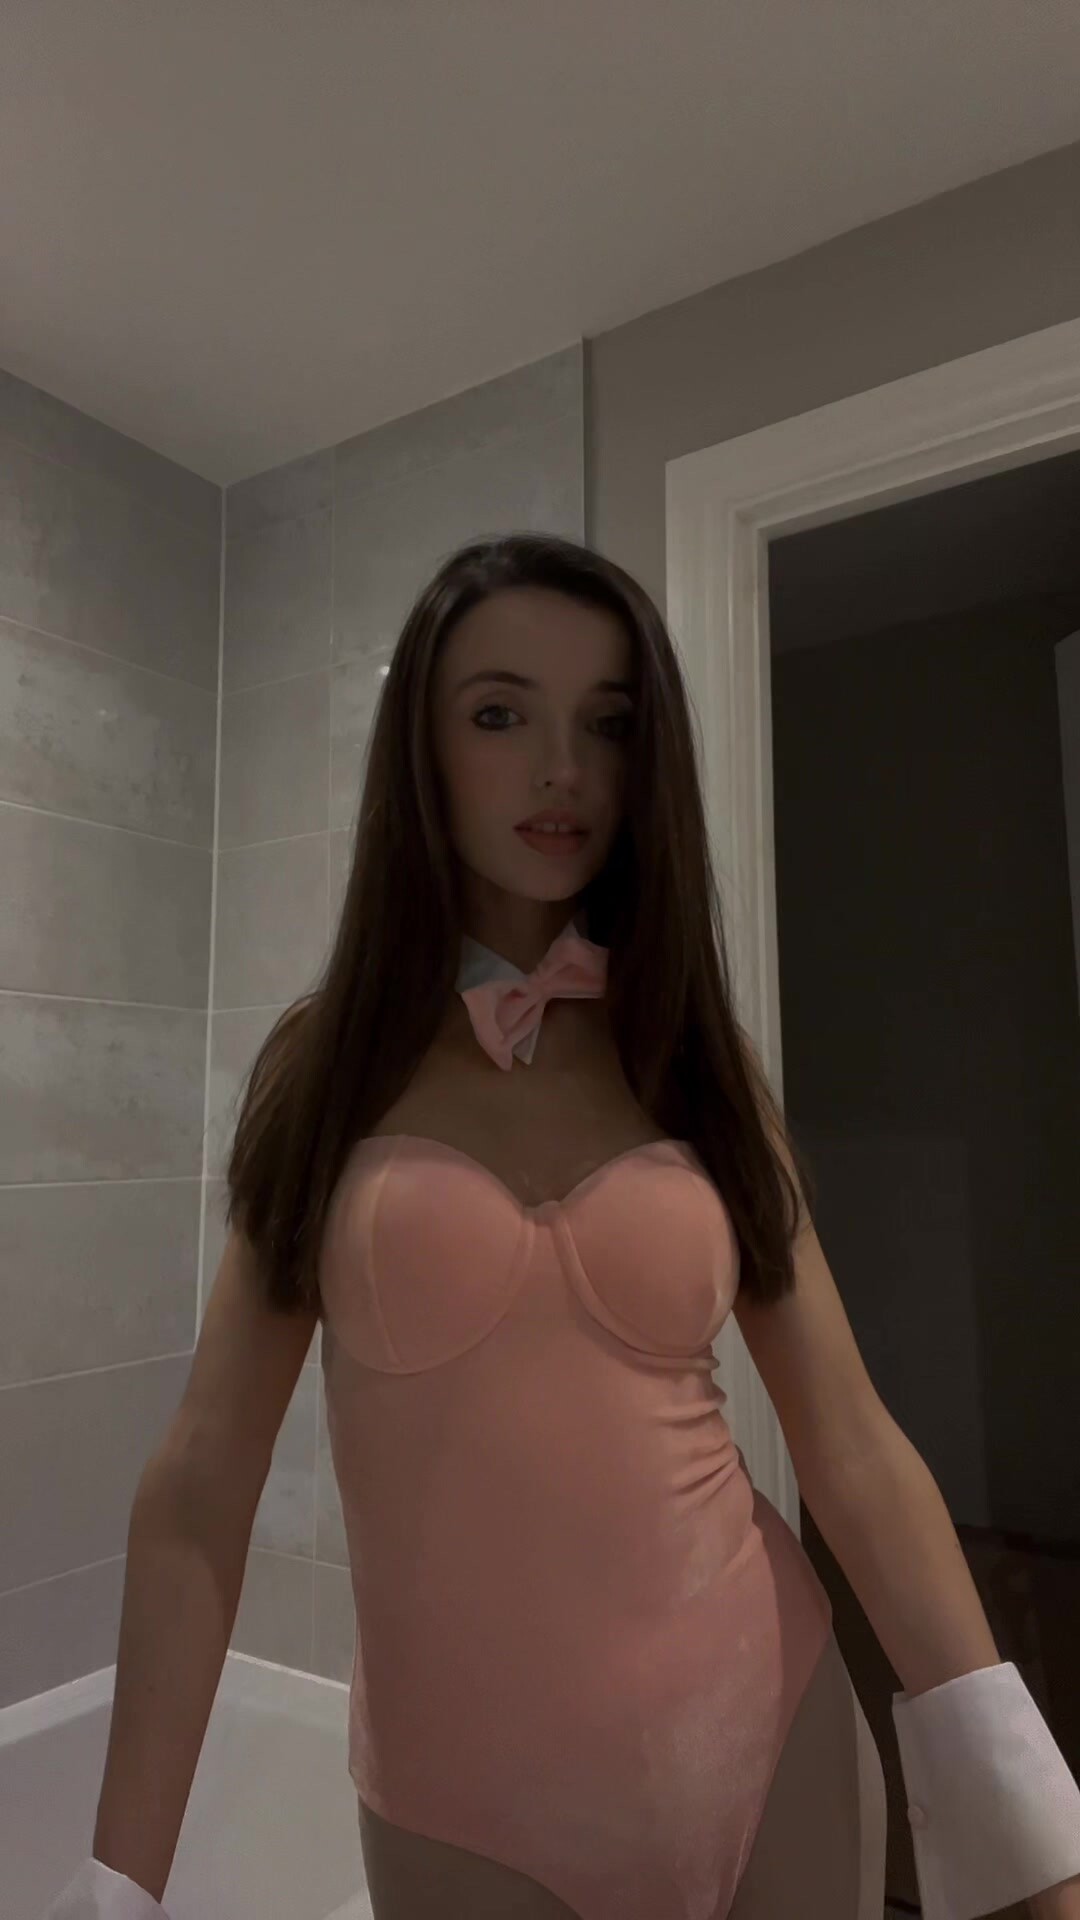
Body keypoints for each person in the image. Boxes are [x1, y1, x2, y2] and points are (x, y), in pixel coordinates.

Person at [52, 536, 1080, 1920]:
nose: (563, 769)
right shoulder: (327, 1071)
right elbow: (197, 1495)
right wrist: (116, 1886)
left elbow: (850, 1449)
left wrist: (1030, 1830)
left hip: (771, 1734)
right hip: (463, 1818)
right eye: (500, 714)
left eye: (608, 724)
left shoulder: (692, 1058)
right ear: (421, 751)